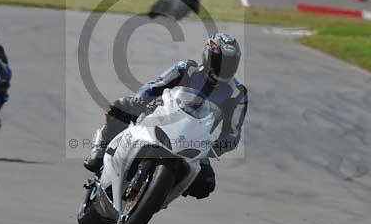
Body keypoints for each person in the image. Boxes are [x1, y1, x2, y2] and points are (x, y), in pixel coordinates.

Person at [83, 32, 248, 200]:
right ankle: (100, 148)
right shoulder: (187, 68)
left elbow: (233, 132)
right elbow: (155, 86)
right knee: (120, 107)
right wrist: (139, 101)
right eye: (221, 62)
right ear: (208, 56)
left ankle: (159, 193)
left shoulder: (237, 93)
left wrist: (215, 149)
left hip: (195, 141)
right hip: (161, 117)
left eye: (230, 63)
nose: (224, 68)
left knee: (206, 184)